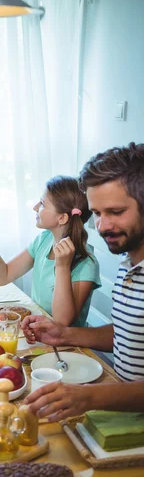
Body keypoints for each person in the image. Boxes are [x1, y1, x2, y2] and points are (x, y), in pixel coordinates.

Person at [22, 142, 144, 421]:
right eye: (98, 214)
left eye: (115, 212)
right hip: (124, 409)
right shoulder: (129, 265)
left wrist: (90, 396)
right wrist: (64, 335)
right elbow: (127, 335)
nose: (102, 227)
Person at [0, 176, 101, 326]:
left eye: (43, 204)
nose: (35, 207)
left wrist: (62, 267)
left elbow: (62, 322)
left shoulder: (85, 263)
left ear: (62, 218)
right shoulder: (44, 240)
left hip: (67, 345)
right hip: (37, 331)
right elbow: (2, 277)